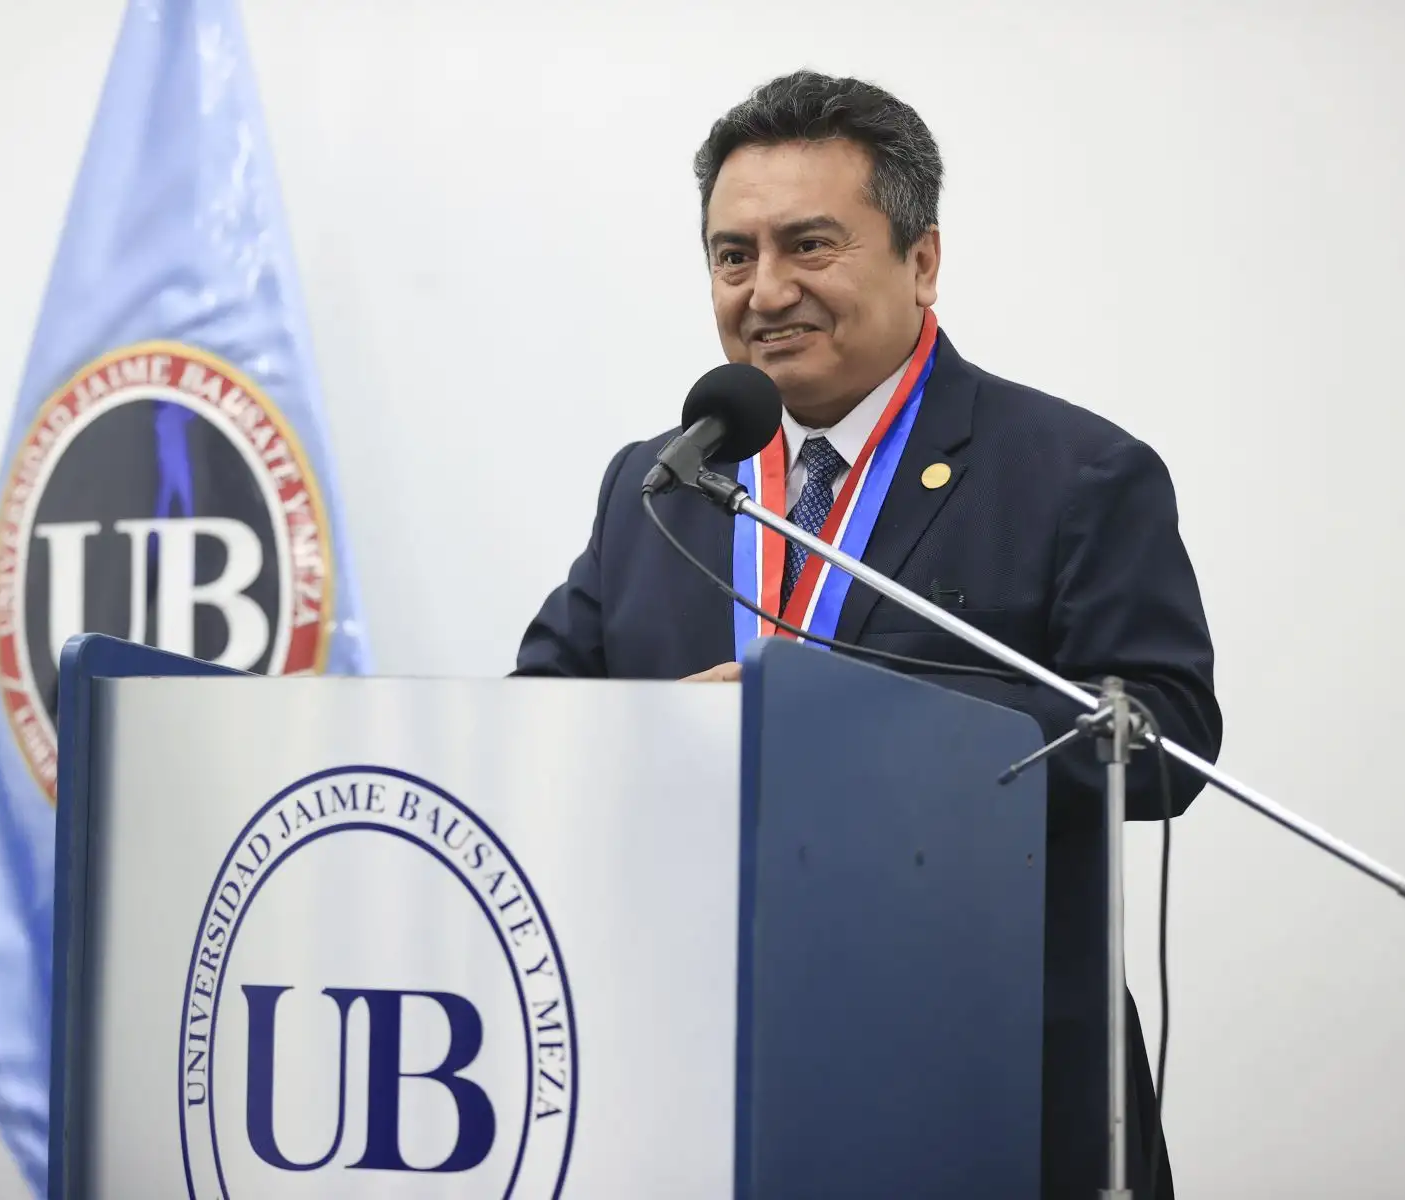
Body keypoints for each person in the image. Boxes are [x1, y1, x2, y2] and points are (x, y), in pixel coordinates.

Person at [513, 70, 1222, 1199]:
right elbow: (536, 722)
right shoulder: (662, 484)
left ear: (923, 261)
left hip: (978, 1073)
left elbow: (1169, 740)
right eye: (732, 254)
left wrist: (840, 724)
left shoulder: (1076, 474)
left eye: (810, 245)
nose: (766, 289)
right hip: (689, 1073)